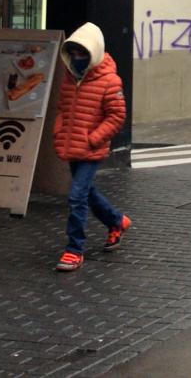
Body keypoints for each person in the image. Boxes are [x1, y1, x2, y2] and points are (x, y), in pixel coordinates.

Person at [51, 22, 130, 272]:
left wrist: (93, 139)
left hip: (90, 148)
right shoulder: (69, 78)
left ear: (93, 52)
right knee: (85, 192)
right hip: (72, 145)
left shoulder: (109, 81)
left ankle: (74, 249)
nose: (76, 58)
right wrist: (59, 132)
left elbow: (116, 116)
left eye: (82, 53)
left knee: (76, 196)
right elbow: (63, 109)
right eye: (73, 53)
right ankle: (116, 221)